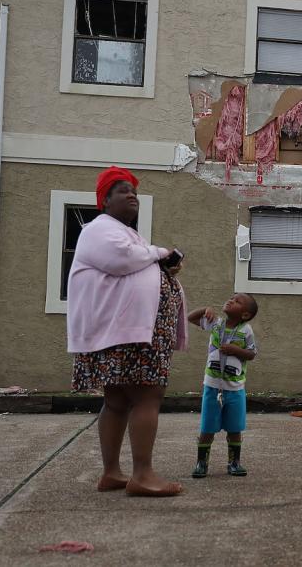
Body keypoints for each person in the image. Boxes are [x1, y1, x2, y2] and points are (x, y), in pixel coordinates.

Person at [67, 166, 189, 497]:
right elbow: (122, 259)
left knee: (118, 398)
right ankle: (143, 475)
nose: (131, 194)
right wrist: (160, 253)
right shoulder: (99, 229)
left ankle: (112, 473)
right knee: (147, 395)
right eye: (122, 190)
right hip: (130, 332)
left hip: (126, 330)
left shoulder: (123, 232)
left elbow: (132, 260)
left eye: (133, 190)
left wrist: (160, 265)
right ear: (104, 200)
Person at [188, 293, 259, 478]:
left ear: (244, 315)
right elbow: (191, 317)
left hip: (235, 388)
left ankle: (234, 462)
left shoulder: (247, 330)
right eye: (231, 298)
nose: (230, 300)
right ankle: (201, 463)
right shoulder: (216, 323)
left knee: (235, 429)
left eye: (237, 302)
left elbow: (252, 354)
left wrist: (237, 350)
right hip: (212, 386)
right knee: (207, 428)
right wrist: (205, 310)